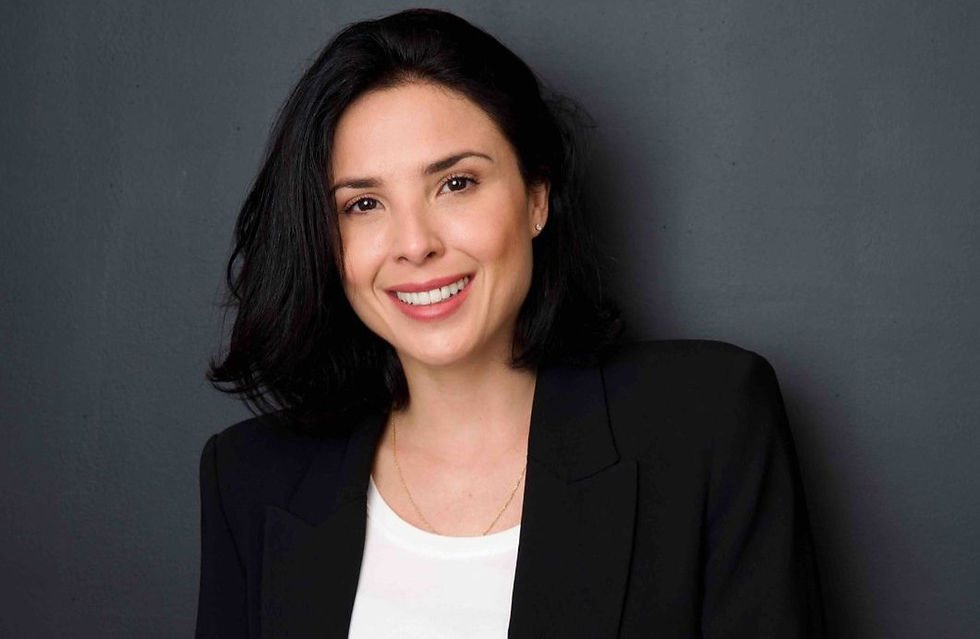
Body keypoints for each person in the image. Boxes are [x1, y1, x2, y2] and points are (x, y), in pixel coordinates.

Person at [196, 8, 824, 638]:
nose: (414, 244)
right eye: (363, 204)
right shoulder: (251, 478)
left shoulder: (707, 421)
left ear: (536, 199)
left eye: (457, 183)